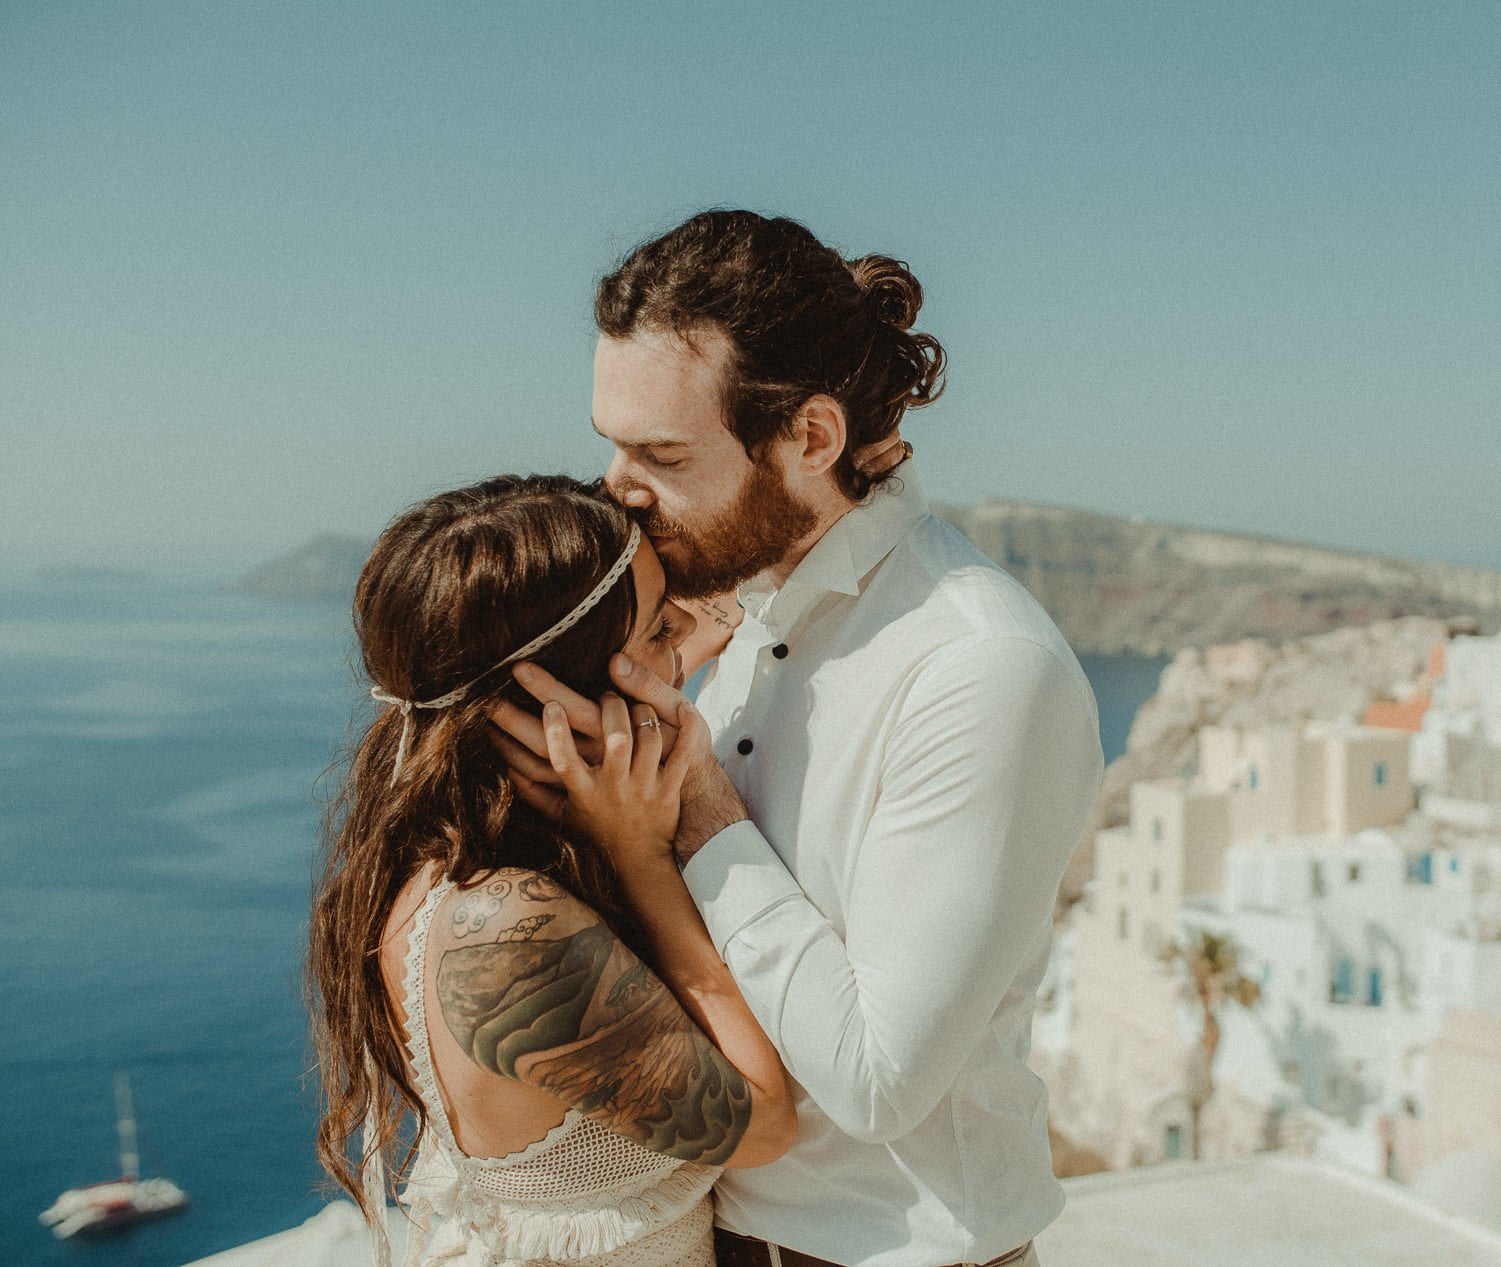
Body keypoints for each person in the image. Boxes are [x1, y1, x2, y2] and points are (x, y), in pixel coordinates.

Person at [494, 211, 1105, 1267]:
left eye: (661, 452)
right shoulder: (724, 617)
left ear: (810, 440)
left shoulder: (976, 667)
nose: (616, 487)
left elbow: (876, 1079)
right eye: (610, 441)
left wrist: (693, 812)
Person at [308, 474, 797, 1267]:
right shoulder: (502, 929)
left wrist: (663, 650)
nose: (684, 631)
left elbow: (698, 617)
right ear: (555, 689)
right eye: (651, 629)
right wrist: (644, 859)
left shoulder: (455, 853)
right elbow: (765, 1121)